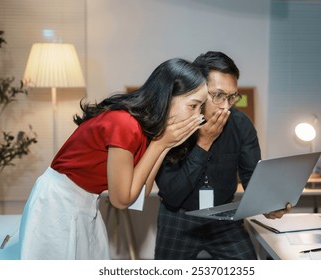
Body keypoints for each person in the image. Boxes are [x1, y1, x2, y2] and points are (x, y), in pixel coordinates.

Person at [19, 58, 208, 260]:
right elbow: (121, 200)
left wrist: (164, 145)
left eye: (201, 108)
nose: (197, 116)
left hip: (86, 202)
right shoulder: (125, 123)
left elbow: (138, 197)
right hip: (58, 203)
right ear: (168, 96)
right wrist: (160, 145)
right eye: (193, 106)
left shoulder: (147, 130)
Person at [154, 51, 291, 260]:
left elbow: (253, 178)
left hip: (224, 217)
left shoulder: (241, 124)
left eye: (232, 97)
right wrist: (204, 143)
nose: (226, 106)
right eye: (218, 95)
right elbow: (172, 195)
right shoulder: (174, 123)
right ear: (197, 89)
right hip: (178, 218)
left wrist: (268, 204)